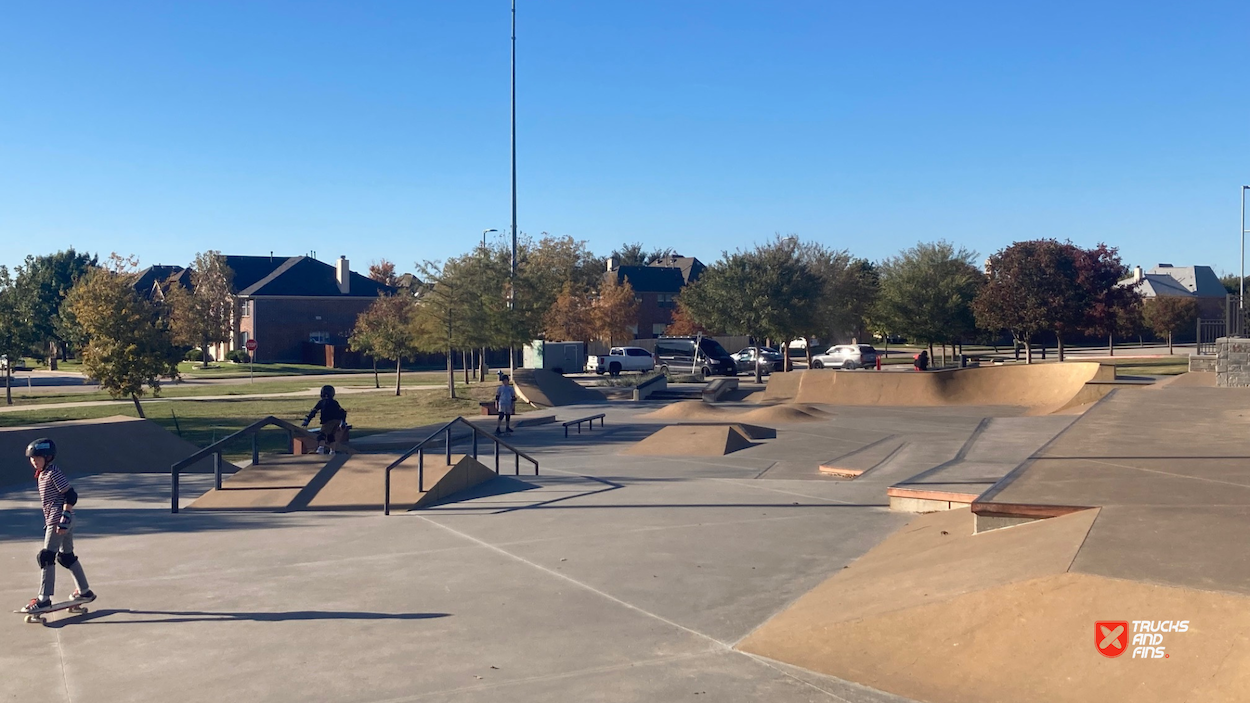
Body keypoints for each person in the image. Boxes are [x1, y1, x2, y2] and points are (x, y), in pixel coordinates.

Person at [21, 438, 95, 614]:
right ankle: (84, 591)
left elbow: (71, 495)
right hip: (61, 520)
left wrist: (64, 517)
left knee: (46, 556)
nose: (34, 461)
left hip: (58, 521)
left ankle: (43, 599)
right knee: (66, 557)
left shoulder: (53, 473)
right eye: (32, 459)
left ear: (48, 457)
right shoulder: (43, 473)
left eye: (37, 458)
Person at [302, 385, 347, 454]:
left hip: (328, 421)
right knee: (331, 436)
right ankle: (332, 451)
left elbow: (314, 411)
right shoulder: (335, 402)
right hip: (337, 421)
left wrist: (307, 420)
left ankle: (320, 450)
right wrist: (343, 422)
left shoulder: (322, 402)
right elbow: (342, 412)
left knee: (322, 435)